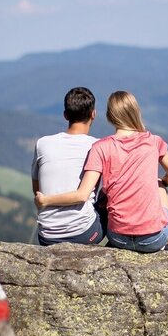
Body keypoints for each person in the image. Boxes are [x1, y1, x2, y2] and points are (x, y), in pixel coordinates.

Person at [36, 90, 168, 253]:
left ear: (110, 116)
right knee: (160, 186)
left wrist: (46, 200)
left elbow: (84, 192)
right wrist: (161, 183)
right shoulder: (154, 141)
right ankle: (166, 243)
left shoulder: (100, 147)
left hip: (117, 238)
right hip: (152, 239)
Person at [31, 86, 106, 246]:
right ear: (93, 114)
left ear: (65, 115)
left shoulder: (42, 143)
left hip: (47, 237)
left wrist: (47, 201)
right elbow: (85, 195)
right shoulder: (98, 146)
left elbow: (37, 191)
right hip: (84, 234)